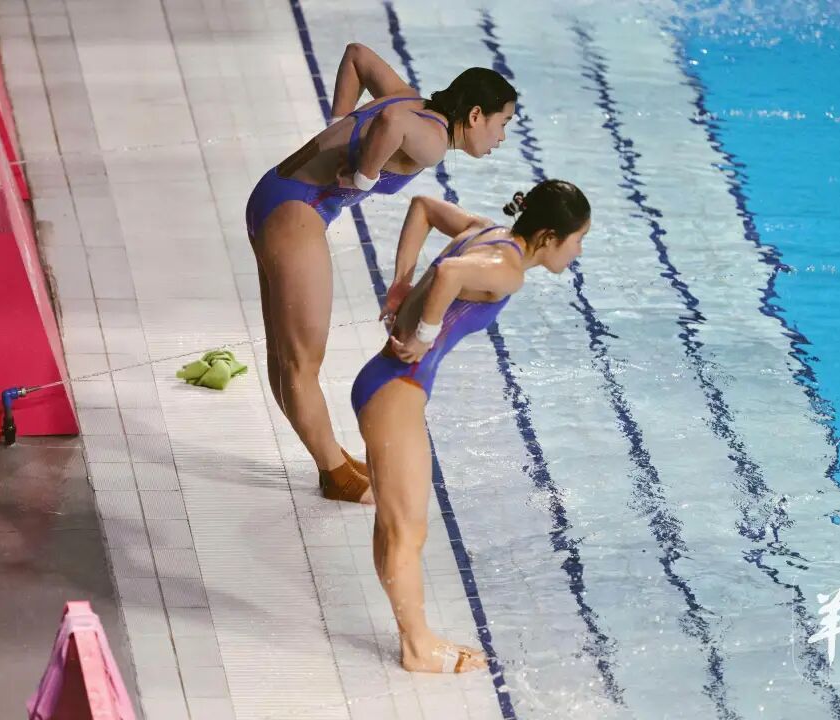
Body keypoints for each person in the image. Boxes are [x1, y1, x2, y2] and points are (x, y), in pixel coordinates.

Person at [245, 43, 517, 505]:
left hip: (277, 195)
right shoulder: (433, 140)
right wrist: (365, 175)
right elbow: (390, 124)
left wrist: (339, 123)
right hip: (296, 213)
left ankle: (329, 458)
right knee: (301, 361)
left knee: (287, 356)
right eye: (503, 123)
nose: (502, 138)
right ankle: (334, 474)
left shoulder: (406, 96)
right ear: (475, 115)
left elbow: (357, 56)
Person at [351, 180, 592, 672]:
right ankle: (417, 648)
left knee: (396, 525)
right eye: (578, 239)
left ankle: (414, 637)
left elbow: (423, 207)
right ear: (549, 237)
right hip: (396, 392)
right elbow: (449, 272)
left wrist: (400, 284)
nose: (579, 251)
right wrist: (424, 332)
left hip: (388, 386)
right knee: (407, 531)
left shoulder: (487, 231)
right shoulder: (506, 268)